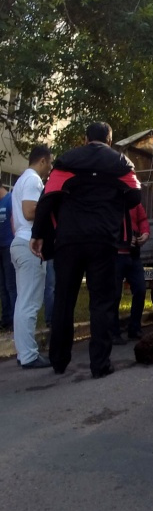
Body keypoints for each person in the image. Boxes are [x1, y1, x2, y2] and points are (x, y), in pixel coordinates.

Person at [31, 123, 142, 378]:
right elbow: (135, 195)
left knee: (64, 299)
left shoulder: (67, 160)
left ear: (85, 139)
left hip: (69, 239)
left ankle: (59, 361)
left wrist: (38, 235)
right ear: (110, 141)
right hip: (103, 240)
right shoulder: (121, 163)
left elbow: (47, 197)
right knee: (101, 302)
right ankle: (99, 365)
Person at [11, 145, 53, 369]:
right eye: (50, 163)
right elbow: (29, 211)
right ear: (43, 161)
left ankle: (23, 352)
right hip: (30, 245)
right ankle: (28, 355)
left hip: (19, 242)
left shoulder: (20, 181)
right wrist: (50, 208)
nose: (50, 169)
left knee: (22, 302)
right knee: (30, 303)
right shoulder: (34, 180)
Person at [112, 202, 150, 344]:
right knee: (114, 294)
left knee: (140, 289)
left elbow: (142, 219)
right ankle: (113, 332)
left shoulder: (134, 200)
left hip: (133, 254)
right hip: (116, 254)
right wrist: (124, 237)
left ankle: (134, 328)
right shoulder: (111, 198)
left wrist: (145, 233)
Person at [0, 184, 15, 331]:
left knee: (11, 285)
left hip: (8, 247)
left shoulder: (9, 200)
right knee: (2, 286)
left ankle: (14, 320)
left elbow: (14, 223)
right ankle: (5, 320)